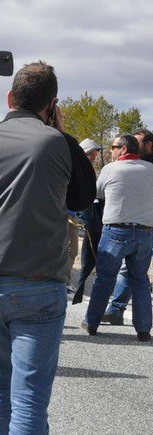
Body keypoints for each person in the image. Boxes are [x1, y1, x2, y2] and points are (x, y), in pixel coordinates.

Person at [0, 62, 95, 434]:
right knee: (29, 397)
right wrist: (64, 134)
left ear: (10, 97)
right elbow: (84, 196)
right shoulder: (58, 143)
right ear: (52, 105)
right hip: (37, 283)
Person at [82, 134, 153, 342]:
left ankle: (91, 323)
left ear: (123, 149)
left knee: (104, 278)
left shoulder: (110, 169)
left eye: (113, 147)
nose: (110, 151)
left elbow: (97, 193)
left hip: (116, 230)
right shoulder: (151, 170)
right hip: (145, 232)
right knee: (140, 279)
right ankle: (143, 329)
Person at [100, 128, 153, 322]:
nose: (134, 148)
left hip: (141, 226)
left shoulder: (146, 166)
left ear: (149, 145)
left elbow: (98, 192)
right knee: (131, 272)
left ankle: (104, 316)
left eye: (137, 143)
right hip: (141, 228)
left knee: (131, 274)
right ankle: (119, 311)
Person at [72, 138, 103, 305]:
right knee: (70, 250)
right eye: (91, 153)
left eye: (95, 154)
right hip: (73, 212)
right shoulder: (74, 167)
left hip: (86, 210)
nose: (93, 157)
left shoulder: (86, 169)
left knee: (74, 251)